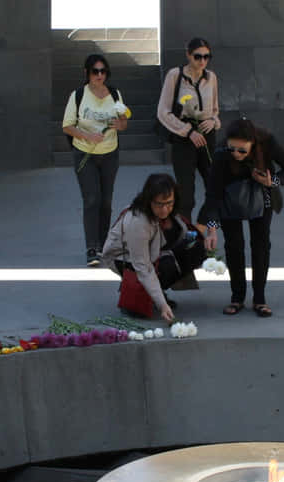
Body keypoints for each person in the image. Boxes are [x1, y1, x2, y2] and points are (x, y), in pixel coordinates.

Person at [200, 119, 284, 317]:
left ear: (253, 143)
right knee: (234, 246)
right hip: (230, 200)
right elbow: (212, 193)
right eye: (232, 149)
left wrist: (273, 180)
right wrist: (211, 228)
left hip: (262, 196)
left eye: (242, 151)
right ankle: (237, 297)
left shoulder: (267, 141)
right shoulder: (221, 153)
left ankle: (259, 298)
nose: (236, 154)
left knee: (260, 245)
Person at [102, 173, 205, 322]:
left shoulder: (172, 212)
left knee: (196, 249)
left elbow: (196, 226)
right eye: (159, 204)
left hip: (155, 252)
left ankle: (154, 291)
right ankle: (137, 293)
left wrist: (210, 231)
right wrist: (162, 305)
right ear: (148, 200)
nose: (164, 210)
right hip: (126, 259)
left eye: (169, 203)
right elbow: (143, 267)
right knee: (167, 265)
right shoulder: (138, 222)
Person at [62, 54, 128, 267]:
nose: (100, 76)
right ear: (87, 73)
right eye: (95, 71)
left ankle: (104, 244)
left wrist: (121, 125)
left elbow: (123, 120)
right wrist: (87, 136)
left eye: (103, 71)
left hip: (110, 153)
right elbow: (67, 126)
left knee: (106, 201)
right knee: (92, 200)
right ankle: (92, 248)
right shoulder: (78, 95)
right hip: (85, 153)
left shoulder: (115, 93)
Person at [157, 37, 222, 221]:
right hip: (184, 136)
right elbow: (163, 111)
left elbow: (216, 110)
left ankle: (207, 231)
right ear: (188, 55)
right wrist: (188, 131)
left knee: (215, 188)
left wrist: (213, 121)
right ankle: (186, 237)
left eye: (206, 57)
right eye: (197, 56)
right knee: (186, 194)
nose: (202, 61)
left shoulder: (211, 78)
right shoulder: (174, 75)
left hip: (207, 134)